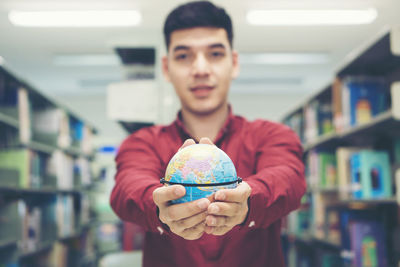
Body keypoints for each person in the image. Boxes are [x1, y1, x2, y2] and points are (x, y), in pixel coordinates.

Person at [110, 1, 306, 266]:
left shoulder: (272, 136)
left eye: (215, 54)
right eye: (183, 56)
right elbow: (126, 189)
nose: (200, 69)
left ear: (234, 63)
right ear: (166, 68)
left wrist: (247, 202)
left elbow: (289, 180)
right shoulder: (142, 143)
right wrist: (159, 206)